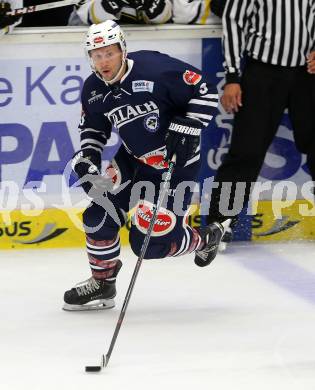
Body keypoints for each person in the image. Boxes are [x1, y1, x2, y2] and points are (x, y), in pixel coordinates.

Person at [63, 20, 224, 311]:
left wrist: (189, 125)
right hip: (133, 162)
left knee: (149, 245)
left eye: (109, 53)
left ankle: (206, 238)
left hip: (176, 164)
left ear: (122, 49)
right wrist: (88, 160)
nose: (103, 62)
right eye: (97, 55)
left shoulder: (154, 68)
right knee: (98, 216)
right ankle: (103, 283)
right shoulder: (93, 88)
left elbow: (206, 91)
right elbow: (94, 131)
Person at [207, 0, 315, 241]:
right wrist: (233, 75)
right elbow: (233, 21)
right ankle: (218, 225)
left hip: (307, 74)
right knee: (246, 151)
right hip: (263, 74)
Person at [68, 0, 172, 26]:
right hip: (92, 48)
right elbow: (90, 15)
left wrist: (150, 5)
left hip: (146, 44)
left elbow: (163, 16)